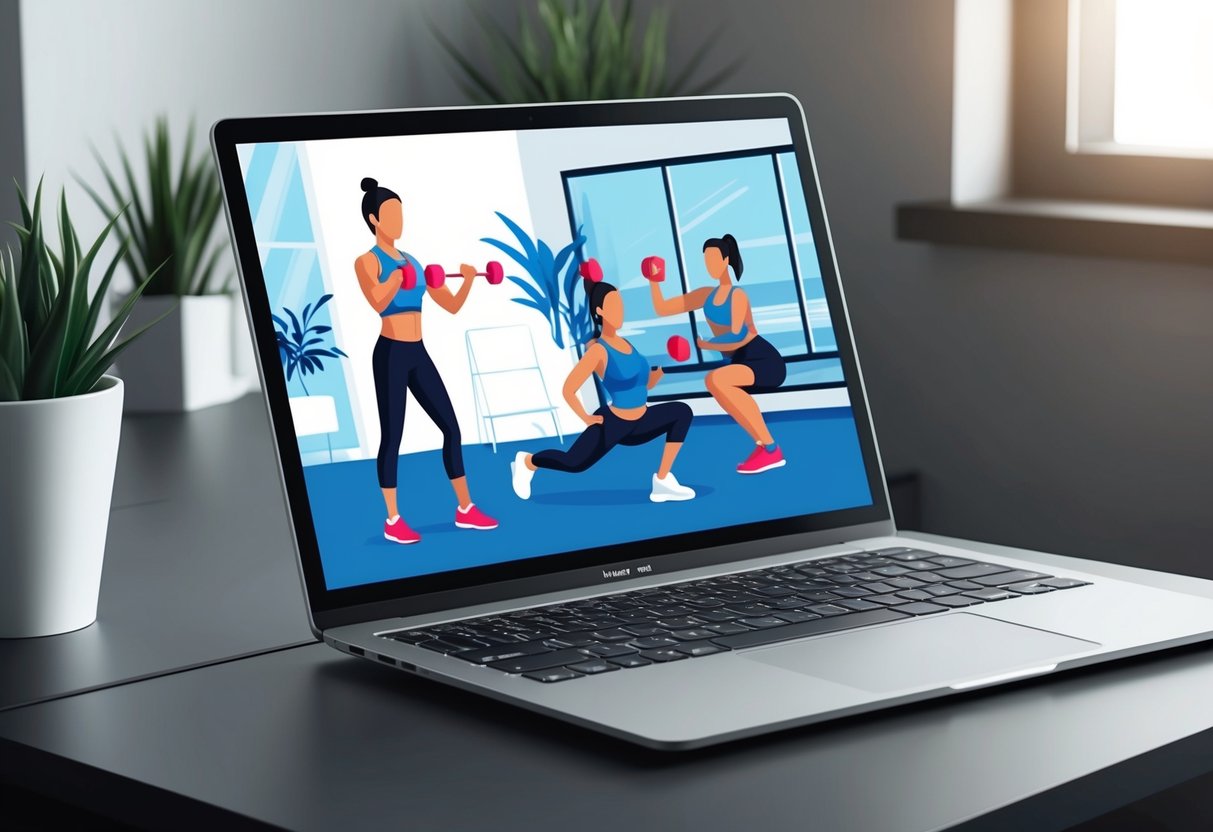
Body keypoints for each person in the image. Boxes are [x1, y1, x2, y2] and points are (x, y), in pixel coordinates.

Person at [353, 177, 497, 545]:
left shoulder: (414, 262)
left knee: (451, 428)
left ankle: (465, 509)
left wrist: (468, 279)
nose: (399, 221)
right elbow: (377, 301)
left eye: (401, 213)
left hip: (418, 353)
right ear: (374, 220)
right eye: (391, 215)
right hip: (390, 353)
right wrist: (397, 277)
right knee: (393, 437)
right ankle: (393, 519)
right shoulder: (367, 262)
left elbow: (451, 305)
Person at [510, 267, 696, 504]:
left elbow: (638, 386)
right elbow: (568, 389)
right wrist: (586, 418)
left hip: (642, 421)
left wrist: (654, 379)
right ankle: (527, 462)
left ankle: (662, 481)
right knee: (574, 463)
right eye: (614, 306)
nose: (620, 311)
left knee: (682, 412)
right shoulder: (598, 351)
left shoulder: (627, 344)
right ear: (600, 311)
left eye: (621, 305)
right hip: (614, 424)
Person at [646, 234, 787, 474]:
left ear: (726, 260)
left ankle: (771, 448)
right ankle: (764, 446)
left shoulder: (737, 295)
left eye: (713, 259)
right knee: (717, 383)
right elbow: (663, 309)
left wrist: (707, 345)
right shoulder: (706, 295)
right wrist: (654, 280)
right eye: (706, 260)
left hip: (762, 359)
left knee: (716, 379)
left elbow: (739, 336)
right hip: (738, 360)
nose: (709, 265)